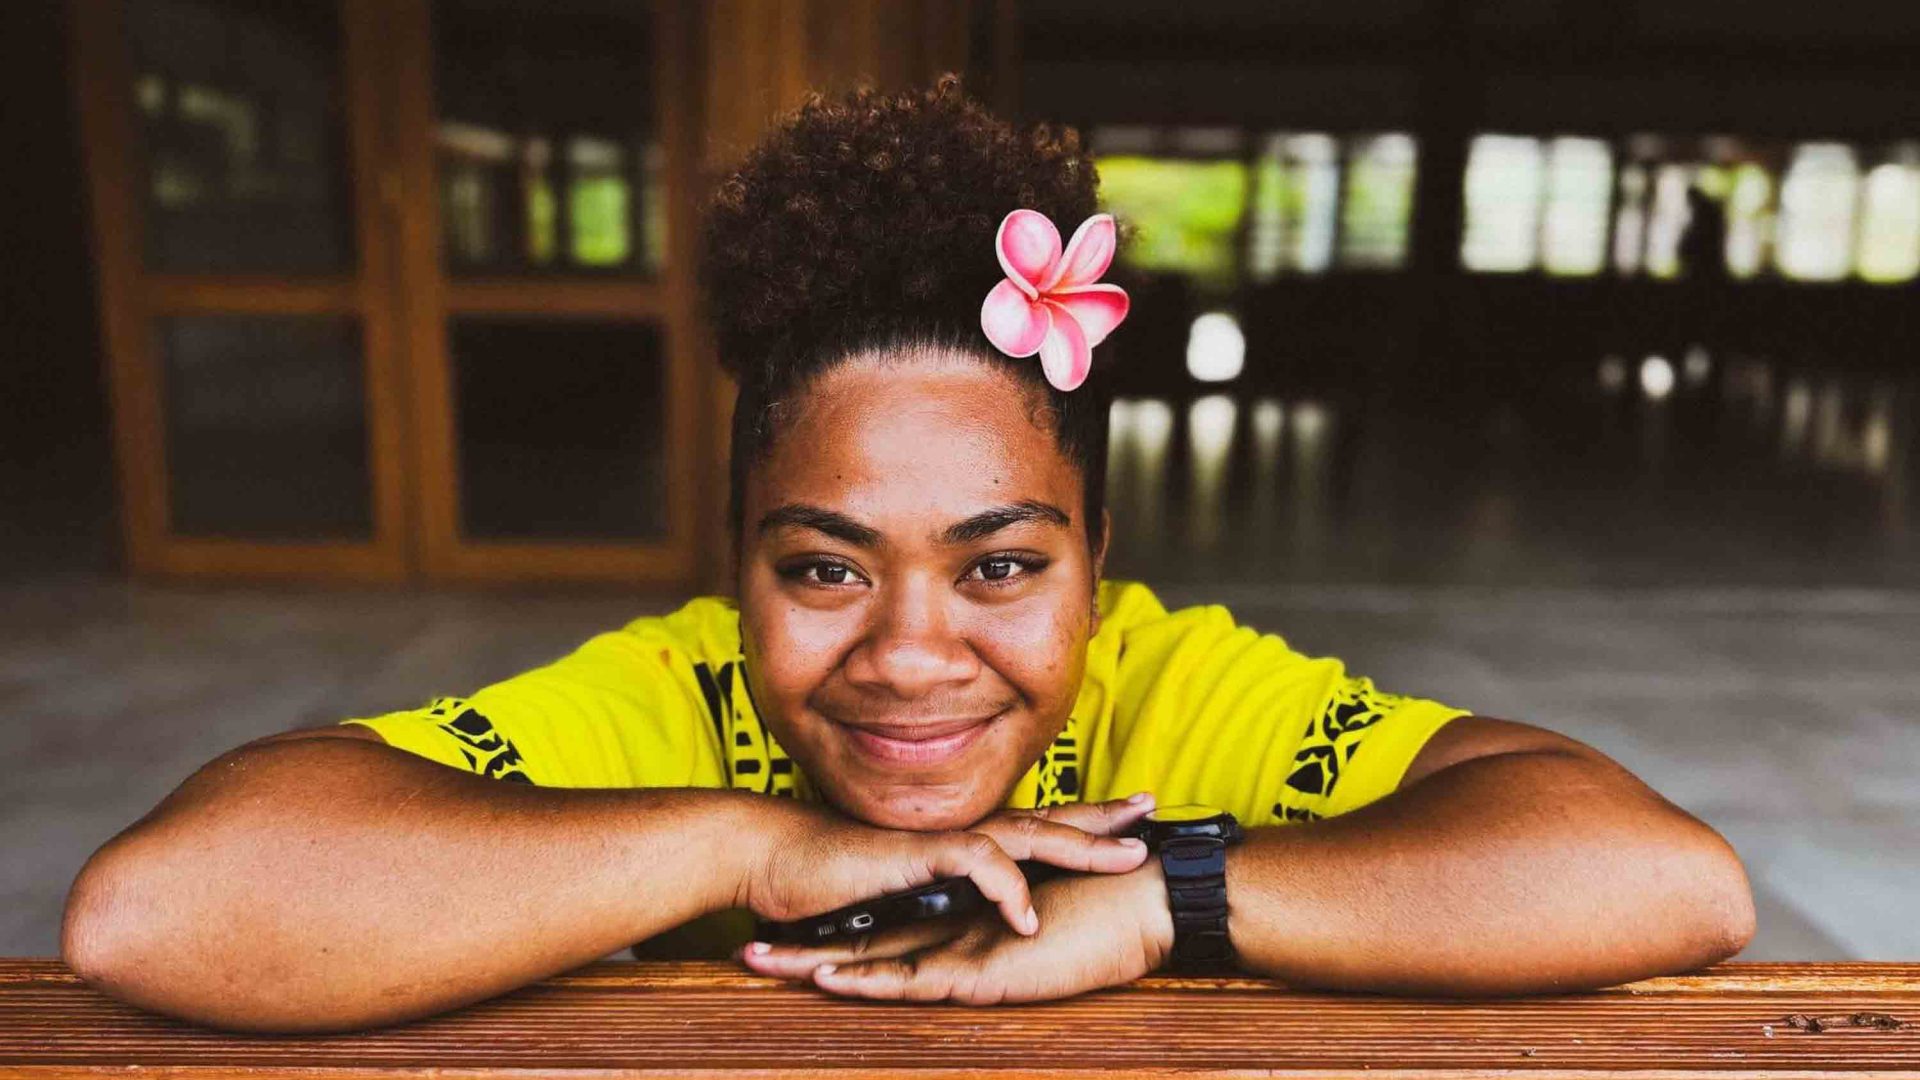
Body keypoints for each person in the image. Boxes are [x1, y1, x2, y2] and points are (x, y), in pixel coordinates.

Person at [61, 78, 1754, 1033]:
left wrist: (1173, 904)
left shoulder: (1178, 686)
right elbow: (160, 915)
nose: (912, 655)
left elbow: (1664, 878)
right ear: (732, 567)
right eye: (823, 568)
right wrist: (754, 846)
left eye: (1004, 566)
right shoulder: (666, 705)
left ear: (1103, 556)